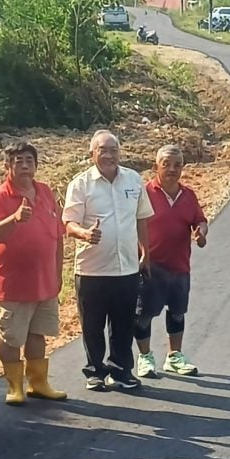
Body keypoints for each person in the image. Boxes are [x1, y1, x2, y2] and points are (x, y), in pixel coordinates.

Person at [63, 129, 154, 392]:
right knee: (92, 324)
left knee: (124, 323)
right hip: (91, 269)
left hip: (126, 267)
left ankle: (121, 371)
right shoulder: (80, 184)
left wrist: (145, 252)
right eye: (103, 150)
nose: (109, 155)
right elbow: (68, 223)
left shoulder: (133, 180)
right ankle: (95, 372)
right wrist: (84, 233)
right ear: (92, 154)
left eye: (113, 150)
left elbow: (141, 218)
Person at [0, 142, 67, 405]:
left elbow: (58, 233)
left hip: (44, 280)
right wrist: (15, 218)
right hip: (12, 284)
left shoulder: (45, 191)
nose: (25, 165)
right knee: (11, 337)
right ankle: (14, 387)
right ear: (8, 166)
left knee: (37, 333)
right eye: (18, 161)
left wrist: (58, 271)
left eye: (29, 160)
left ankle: (39, 383)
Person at [135, 145, 208, 378]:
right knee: (144, 313)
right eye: (166, 164)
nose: (172, 169)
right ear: (156, 166)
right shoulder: (144, 193)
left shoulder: (188, 195)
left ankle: (174, 357)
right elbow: (134, 224)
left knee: (177, 312)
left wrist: (201, 232)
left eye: (177, 165)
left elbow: (200, 219)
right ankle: (145, 357)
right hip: (150, 264)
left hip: (180, 266)